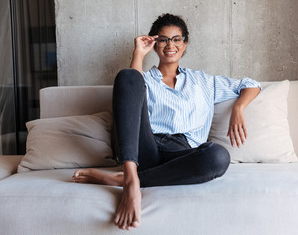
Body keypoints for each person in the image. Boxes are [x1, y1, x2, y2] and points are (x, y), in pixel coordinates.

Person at [72, 13, 261, 231]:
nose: (170, 45)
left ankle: (120, 180)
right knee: (127, 75)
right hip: (145, 149)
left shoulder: (203, 82)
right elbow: (130, 86)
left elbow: (250, 84)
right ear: (155, 44)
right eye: (163, 39)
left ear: (185, 44)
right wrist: (138, 54)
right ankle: (131, 179)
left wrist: (238, 108)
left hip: (183, 155)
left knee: (218, 156)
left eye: (176, 39)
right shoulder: (146, 79)